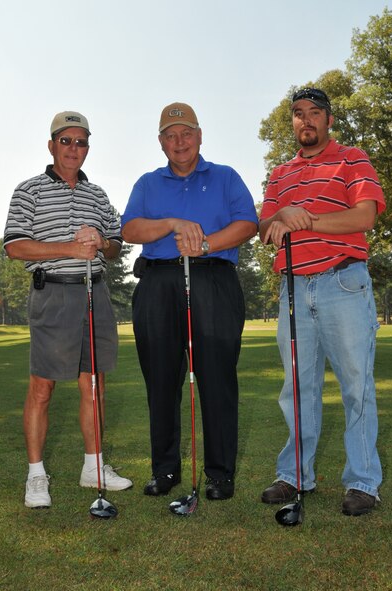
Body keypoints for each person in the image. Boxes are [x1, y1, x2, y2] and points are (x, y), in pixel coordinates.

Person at [121, 102, 258, 500]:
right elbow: (129, 229)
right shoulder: (148, 183)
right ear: (161, 142)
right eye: (170, 135)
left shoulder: (225, 176)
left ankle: (220, 474)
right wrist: (171, 224)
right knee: (161, 381)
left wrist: (206, 243)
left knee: (216, 379)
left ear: (199, 136)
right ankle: (165, 472)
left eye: (186, 133)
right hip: (159, 282)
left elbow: (248, 223)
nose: (179, 142)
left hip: (213, 278)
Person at [259, 88, 385, 516]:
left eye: (314, 113)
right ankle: (295, 475)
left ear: (329, 120)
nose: (306, 120)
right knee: (297, 388)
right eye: (298, 114)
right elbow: (265, 228)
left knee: (356, 387)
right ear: (292, 122)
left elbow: (364, 215)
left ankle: (363, 481)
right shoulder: (279, 174)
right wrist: (279, 217)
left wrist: (305, 219)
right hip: (294, 287)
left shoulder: (352, 158)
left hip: (343, 282)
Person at [4, 111, 132, 509]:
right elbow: (14, 246)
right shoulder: (30, 190)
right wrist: (69, 248)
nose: (74, 148)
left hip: (95, 292)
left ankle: (93, 467)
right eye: (66, 141)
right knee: (42, 388)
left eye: (81, 142)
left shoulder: (97, 195)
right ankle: (36, 476)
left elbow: (116, 243)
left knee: (94, 385)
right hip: (53, 294)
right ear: (51, 145)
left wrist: (101, 241)